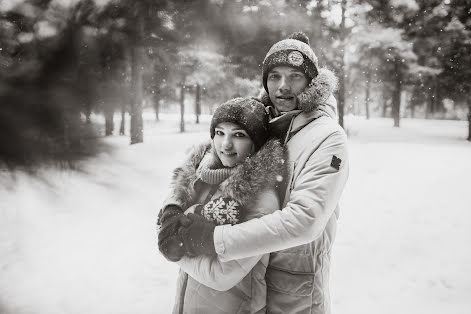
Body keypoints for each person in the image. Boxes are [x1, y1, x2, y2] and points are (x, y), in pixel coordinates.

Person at [159, 32, 349, 314]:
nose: (283, 86)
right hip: (248, 284)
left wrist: (211, 240)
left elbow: (305, 220)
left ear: (313, 82)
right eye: (274, 76)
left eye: (295, 76)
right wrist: (175, 205)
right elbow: (206, 160)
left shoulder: (327, 137)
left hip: (293, 285)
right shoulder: (261, 118)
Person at [158, 97, 287, 313]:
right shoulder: (204, 177)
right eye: (219, 133)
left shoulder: (262, 199)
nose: (225, 144)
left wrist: (175, 247)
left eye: (238, 135)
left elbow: (222, 275)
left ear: (256, 142)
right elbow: (175, 199)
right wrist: (171, 216)